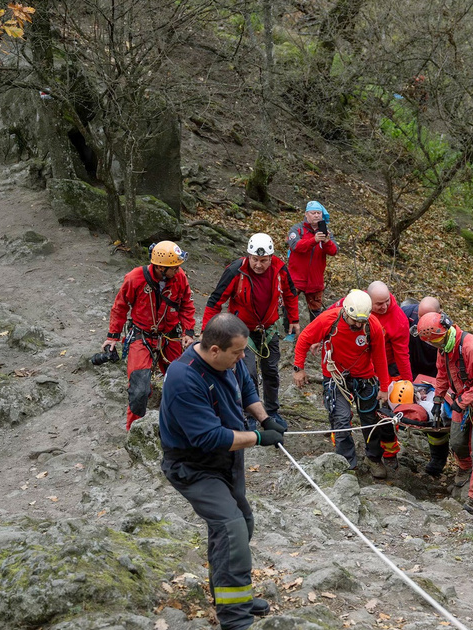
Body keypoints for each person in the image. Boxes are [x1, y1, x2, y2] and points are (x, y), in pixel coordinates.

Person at [158, 314, 286, 630]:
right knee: (231, 529)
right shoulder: (184, 379)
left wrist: (264, 418)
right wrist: (258, 437)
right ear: (214, 350)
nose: (242, 358)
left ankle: (233, 597)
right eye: (237, 353)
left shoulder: (230, 360)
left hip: (226, 461)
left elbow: (246, 386)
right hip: (194, 467)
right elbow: (208, 437)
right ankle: (235, 619)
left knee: (242, 524)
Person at [293, 289, 398, 479]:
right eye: (354, 321)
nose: (358, 325)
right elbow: (305, 338)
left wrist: (384, 387)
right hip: (335, 377)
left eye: (361, 321)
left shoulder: (371, 325)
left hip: (364, 377)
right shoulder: (328, 320)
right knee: (340, 419)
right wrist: (298, 368)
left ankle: (374, 458)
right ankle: (347, 463)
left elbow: (380, 357)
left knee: (370, 420)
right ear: (345, 312)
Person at [203, 233, 299, 429]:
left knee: (271, 370)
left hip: (268, 329)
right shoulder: (235, 271)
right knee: (247, 373)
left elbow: (290, 293)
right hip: (240, 330)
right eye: (255, 259)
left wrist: (294, 319)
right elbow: (215, 301)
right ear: (248, 255)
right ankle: (250, 415)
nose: (258, 265)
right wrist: (208, 333)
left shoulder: (280, 270)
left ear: (271, 258)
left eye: (263, 260)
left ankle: (272, 411)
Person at [106, 241, 196, 431]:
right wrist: (113, 336)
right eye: (174, 267)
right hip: (142, 335)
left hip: (170, 335)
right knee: (139, 390)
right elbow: (120, 306)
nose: (178, 270)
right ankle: (134, 430)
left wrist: (188, 332)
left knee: (182, 382)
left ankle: (183, 424)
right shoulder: (135, 279)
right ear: (161, 267)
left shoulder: (180, 278)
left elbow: (186, 304)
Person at [416, 312, 473, 514]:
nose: (432, 346)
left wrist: (461, 402)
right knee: (456, 442)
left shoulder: (470, 347)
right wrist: (437, 399)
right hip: (461, 400)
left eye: (432, 342)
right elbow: (443, 374)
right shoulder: (444, 348)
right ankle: (464, 469)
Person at [287, 200, 338, 322]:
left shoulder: (326, 232)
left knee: (315, 309)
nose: (316, 215)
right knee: (288, 304)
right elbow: (296, 246)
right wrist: (313, 240)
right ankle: (289, 333)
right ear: (306, 214)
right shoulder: (297, 229)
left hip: (315, 279)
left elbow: (334, 251)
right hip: (296, 277)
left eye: (318, 213)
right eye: (313, 213)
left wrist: (327, 242)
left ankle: (313, 334)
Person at [366, 281, 412, 381]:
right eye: (379, 304)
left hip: (384, 365)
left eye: (387, 301)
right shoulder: (357, 302)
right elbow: (331, 315)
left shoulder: (399, 320)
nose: (384, 307)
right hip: (358, 360)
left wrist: (408, 383)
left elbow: (402, 354)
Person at [402, 296, 441, 379]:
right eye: (420, 317)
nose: (422, 322)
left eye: (427, 318)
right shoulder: (407, 314)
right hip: (408, 366)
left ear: (439, 314)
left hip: (432, 374)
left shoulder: (446, 330)